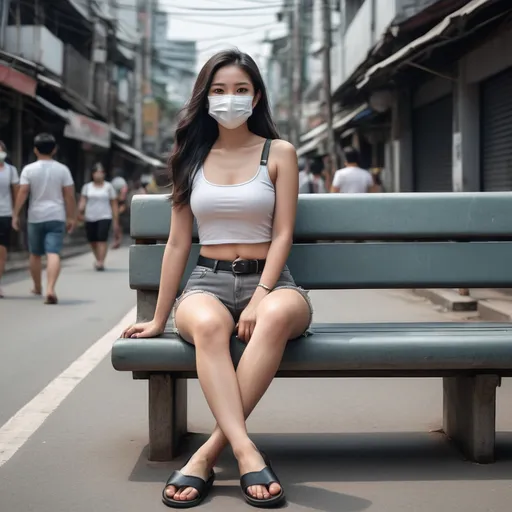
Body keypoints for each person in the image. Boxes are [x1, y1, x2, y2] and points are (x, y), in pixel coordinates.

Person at [122, 49, 312, 509]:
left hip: (272, 281)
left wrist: (261, 295)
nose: (230, 99)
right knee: (208, 325)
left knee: (276, 316)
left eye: (241, 90)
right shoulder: (190, 158)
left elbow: (284, 232)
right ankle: (246, 451)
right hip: (206, 282)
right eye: (220, 90)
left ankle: (207, 453)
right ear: (205, 98)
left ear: (257, 96)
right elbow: (176, 244)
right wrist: (158, 318)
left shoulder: (279, 152)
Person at [12, 133, 76, 304]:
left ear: (35, 149)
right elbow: (69, 195)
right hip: (56, 216)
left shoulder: (28, 169)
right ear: (54, 149)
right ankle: (50, 289)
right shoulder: (62, 169)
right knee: (53, 253)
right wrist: (72, 217)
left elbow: (23, 192)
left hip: (35, 217)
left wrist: (15, 214)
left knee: (35, 254)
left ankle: (37, 286)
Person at [79, 163, 119, 271]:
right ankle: (98, 258)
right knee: (92, 240)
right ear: (92, 174)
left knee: (102, 239)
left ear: (104, 174)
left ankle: (100, 262)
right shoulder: (87, 187)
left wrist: (115, 219)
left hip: (105, 216)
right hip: (90, 216)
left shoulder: (108, 187)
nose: (98, 175)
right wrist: (80, 211)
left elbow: (114, 203)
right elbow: (83, 201)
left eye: (101, 173)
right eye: (96, 172)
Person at [0, 141, 19, 297]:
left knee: (1, 251)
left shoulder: (11, 171)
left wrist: (15, 214)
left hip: (4, 214)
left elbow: (16, 195)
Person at [110, 168, 128, 249]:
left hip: (116, 203)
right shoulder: (123, 181)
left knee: (116, 223)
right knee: (119, 224)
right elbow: (124, 192)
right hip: (121, 203)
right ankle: (118, 240)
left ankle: (116, 240)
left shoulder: (113, 181)